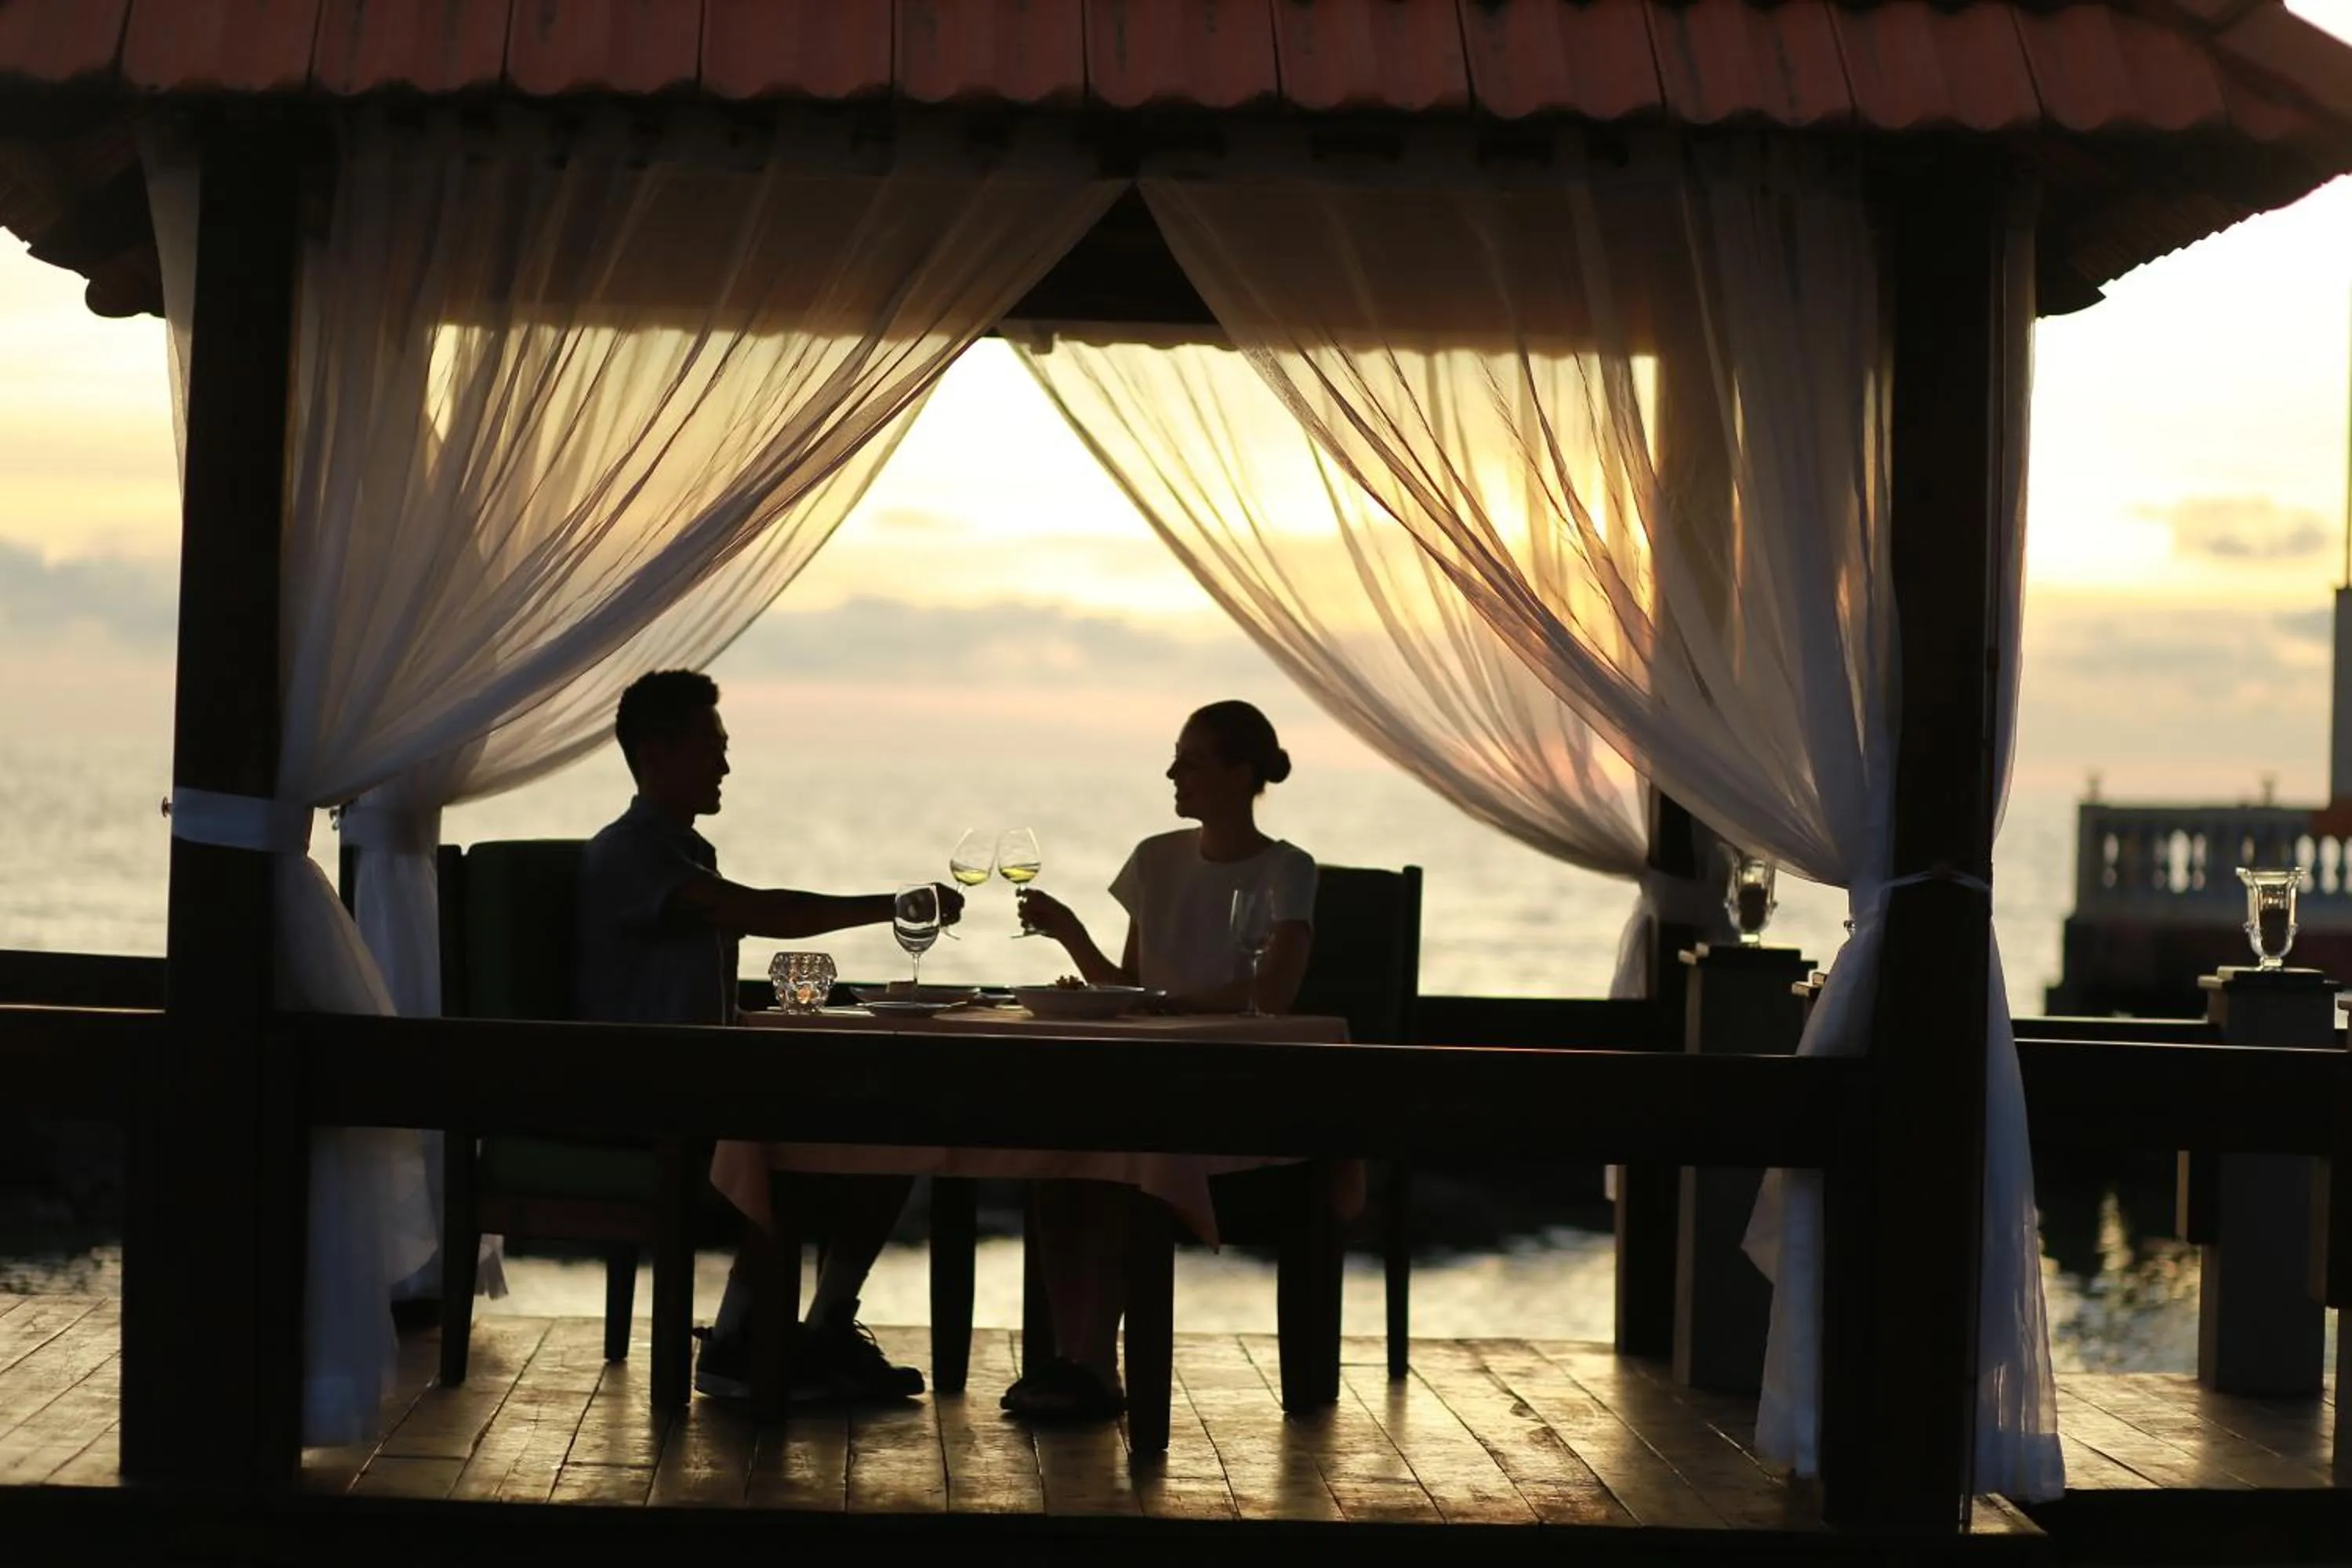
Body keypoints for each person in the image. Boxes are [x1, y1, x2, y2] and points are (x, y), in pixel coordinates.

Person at [573, 668, 962, 1403]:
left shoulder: (686, 853)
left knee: (893, 1133)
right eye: (710, 746)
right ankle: (740, 1343)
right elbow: (763, 913)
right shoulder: (627, 854)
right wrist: (896, 905)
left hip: (696, 1082)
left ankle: (814, 1328)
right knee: (817, 1136)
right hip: (648, 1095)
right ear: (655, 753)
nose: (725, 764)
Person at [1007, 699, 1318, 1417]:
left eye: (1191, 762)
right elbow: (1127, 990)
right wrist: (1070, 932)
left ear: (1240, 774)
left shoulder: (1288, 870)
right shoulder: (1154, 859)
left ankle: (1089, 1363)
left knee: (1118, 1154)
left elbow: (1273, 994)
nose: (1173, 775)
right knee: (1057, 1160)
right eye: (1176, 760)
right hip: (1150, 1084)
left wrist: (1168, 1007)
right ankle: (1078, 1358)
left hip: (1234, 1092)